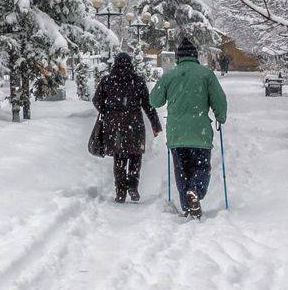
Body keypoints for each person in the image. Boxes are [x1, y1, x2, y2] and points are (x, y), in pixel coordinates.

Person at [150, 38, 228, 219]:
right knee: (201, 167)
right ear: (195, 56)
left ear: (178, 57)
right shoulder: (206, 74)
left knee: (181, 170)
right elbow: (219, 100)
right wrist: (220, 117)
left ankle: (187, 206)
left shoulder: (170, 75)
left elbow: (154, 100)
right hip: (199, 131)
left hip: (177, 133)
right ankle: (195, 191)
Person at [92, 51, 162, 203]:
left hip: (114, 125)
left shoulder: (107, 80)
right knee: (135, 155)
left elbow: (96, 100)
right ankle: (133, 185)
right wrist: (156, 125)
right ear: (130, 64)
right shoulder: (137, 81)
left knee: (119, 157)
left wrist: (107, 111)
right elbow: (148, 105)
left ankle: (120, 191)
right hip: (134, 123)